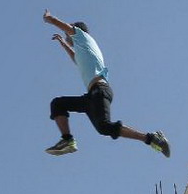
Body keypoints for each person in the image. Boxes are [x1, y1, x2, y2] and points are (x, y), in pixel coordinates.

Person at [42, 9, 170, 157]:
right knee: (58, 104)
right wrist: (63, 44)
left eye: (68, 34)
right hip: (91, 95)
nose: (66, 35)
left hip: (100, 90)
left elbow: (64, 26)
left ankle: (151, 138)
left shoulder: (83, 37)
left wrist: (50, 19)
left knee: (104, 125)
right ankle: (67, 140)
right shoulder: (84, 50)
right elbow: (75, 59)